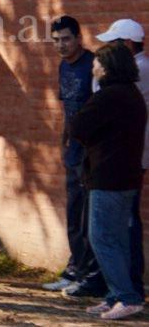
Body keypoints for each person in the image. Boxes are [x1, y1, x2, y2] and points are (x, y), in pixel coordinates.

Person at [72, 42, 147, 320]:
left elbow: (78, 125)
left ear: (108, 66)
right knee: (116, 239)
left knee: (101, 237)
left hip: (109, 177)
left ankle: (127, 297)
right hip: (125, 175)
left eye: (97, 62)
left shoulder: (109, 96)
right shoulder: (130, 93)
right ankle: (117, 295)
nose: (93, 67)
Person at [43, 16, 106, 297]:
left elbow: (100, 112)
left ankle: (88, 274)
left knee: (85, 217)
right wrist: (64, 142)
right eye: (56, 40)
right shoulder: (63, 67)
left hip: (91, 155)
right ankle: (74, 269)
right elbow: (68, 110)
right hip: (74, 153)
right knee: (73, 213)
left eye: (66, 39)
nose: (61, 45)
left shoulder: (92, 67)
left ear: (79, 38)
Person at [95, 19, 148, 302]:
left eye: (113, 44)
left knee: (120, 228)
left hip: (126, 159)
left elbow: (99, 102)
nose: (107, 51)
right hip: (130, 157)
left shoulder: (139, 71)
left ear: (127, 45)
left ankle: (127, 291)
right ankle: (123, 289)